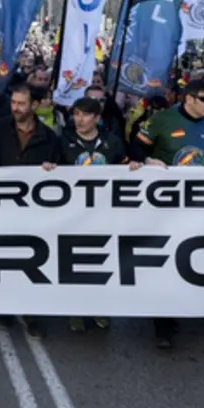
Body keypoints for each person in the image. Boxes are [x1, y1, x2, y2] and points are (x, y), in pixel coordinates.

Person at [130, 79, 204, 349]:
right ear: (189, 98)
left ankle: (196, 307)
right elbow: (135, 146)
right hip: (164, 204)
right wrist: (147, 160)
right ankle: (162, 322)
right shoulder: (162, 120)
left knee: (195, 255)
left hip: (199, 203)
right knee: (166, 258)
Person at [0, 83, 62, 339]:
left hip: (33, 213)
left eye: (21, 104)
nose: (16, 108)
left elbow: (62, 170)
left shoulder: (49, 137)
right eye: (14, 103)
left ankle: (31, 313)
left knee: (32, 262)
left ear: (34, 106)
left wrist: (53, 168)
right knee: (5, 259)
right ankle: (5, 307)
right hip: (2, 208)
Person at [60, 96, 126, 334]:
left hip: (103, 214)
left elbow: (125, 167)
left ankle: (100, 307)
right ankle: (75, 311)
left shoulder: (113, 142)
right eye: (76, 114)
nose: (80, 119)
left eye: (86, 115)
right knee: (75, 262)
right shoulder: (63, 141)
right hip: (73, 215)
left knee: (101, 261)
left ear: (97, 118)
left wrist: (138, 168)